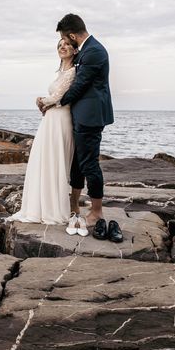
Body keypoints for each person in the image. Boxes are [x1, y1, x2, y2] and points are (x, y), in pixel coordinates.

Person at [41, 13, 120, 242]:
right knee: (78, 162)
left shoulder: (94, 51)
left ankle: (96, 212)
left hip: (90, 117)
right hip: (81, 116)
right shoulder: (86, 51)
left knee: (88, 163)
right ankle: (74, 206)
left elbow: (80, 85)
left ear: (73, 35)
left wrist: (54, 103)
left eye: (67, 38)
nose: (66, 43)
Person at [7, 38, 87, 236]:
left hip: (61, 120)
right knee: (43, 161)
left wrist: (42, 101)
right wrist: (43, 102)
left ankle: (54, 208)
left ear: (75, 50)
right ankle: (40, 206)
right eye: (59, 45)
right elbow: (53, 98)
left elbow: (58, 97)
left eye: (67, 45)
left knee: (55, 162)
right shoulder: (59, 73)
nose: (62, 47)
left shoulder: (73, 72)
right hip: (50, 120)